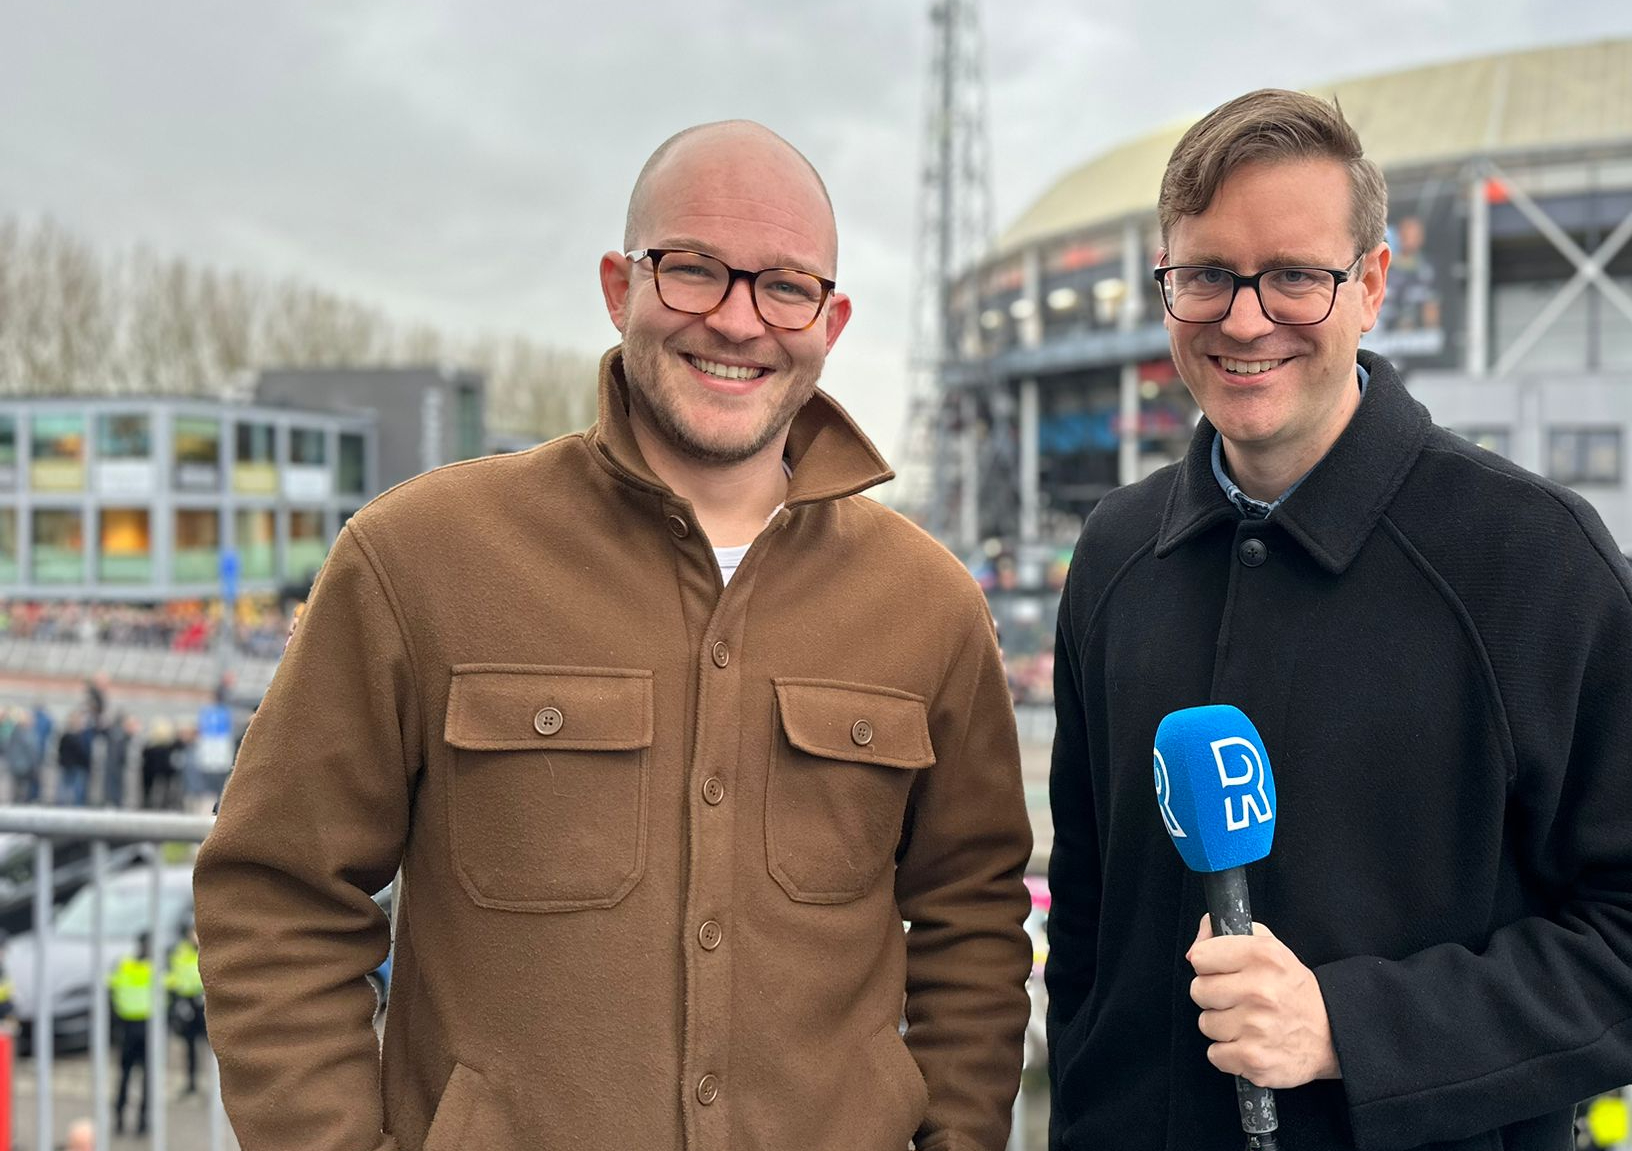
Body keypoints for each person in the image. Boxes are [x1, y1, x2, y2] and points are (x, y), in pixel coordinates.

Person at [193, 121, 1033, 1151]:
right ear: (617, 286)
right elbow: (275, 890)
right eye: (693, 270)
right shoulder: (418, 558)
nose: (737, 320)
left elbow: (973, 918)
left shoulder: (928, 604)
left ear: (831, 318)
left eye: (784, 286)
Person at [1044, 89, 1632, 1151]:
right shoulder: (1116, 553)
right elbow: (1085, 922)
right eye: (1205, 275)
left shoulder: (1528, 557)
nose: (1243, 319)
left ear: (1372, 284)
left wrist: (1354, 1028)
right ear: (1166, 282)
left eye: (1294, 275)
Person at [109, 933, 154, 1136]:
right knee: (129, 1077)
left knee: (138, 1078)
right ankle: (123, 1118)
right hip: (136, 1028)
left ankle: (140, 1120)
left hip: (137, 1028)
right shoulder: (151, 968)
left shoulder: (126, 965)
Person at [166, 923, 206, 1095]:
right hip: (187, 1002)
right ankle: (191, 1082)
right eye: (192, 932)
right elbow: (173, 976)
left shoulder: (208, 949)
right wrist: (178, 999)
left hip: (205, 1001)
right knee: (189, 1045)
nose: (194, 936)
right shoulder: (180, 951)